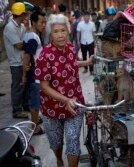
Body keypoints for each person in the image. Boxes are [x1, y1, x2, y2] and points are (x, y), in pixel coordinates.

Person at [35, 14, 94, 167]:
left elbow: (71, 63)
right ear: (50, 34)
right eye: (56, 32)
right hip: (52, 108)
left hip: (75, 105)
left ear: (68, 32)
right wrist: (65, 100)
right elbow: (44, 86)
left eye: (63, 31)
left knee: (73, 140)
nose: (60, 35)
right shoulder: (45, 55)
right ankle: (59, 160)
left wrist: (87, 62)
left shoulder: (69, 47)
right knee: (56, 142)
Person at [3, 2, 30, 118]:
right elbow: (19, 45)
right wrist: (29, 45)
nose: (26, 16)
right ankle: (17, 110)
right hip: (15, 62)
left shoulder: (22, 26)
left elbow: (27, 38)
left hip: (22, 60)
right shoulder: (10, 27)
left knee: (24, 85)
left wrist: (28, 29)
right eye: (25, 14)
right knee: (17, 86)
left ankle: (25, 104)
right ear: (21, 14)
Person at [22, 10, 46, 135]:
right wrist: (24, 75)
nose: (44, 25)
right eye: (41, 22)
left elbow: (28, 55)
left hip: (35, 73)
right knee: (35, 103)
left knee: (35, 101)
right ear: (34, 23)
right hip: (35, 76)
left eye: (44, 22)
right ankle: (35, 127)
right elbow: (26, 55)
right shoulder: (33, 37)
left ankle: (36, 120)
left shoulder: (29, 34)